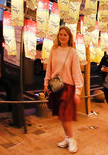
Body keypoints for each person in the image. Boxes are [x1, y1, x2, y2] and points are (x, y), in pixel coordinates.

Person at [44, 26, 83, 154]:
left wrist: (78, 91)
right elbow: (49, 68)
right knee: (61, 115)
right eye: (60, 34)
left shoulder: (72, 52)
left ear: (69, 37)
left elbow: (77, 73)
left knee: (65, 115)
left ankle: (72, 139)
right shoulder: (54, 50)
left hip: (68, 88)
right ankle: (67, 138)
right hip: (56, 87)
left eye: (65, 35)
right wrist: (46, 82)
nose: (62, 36)